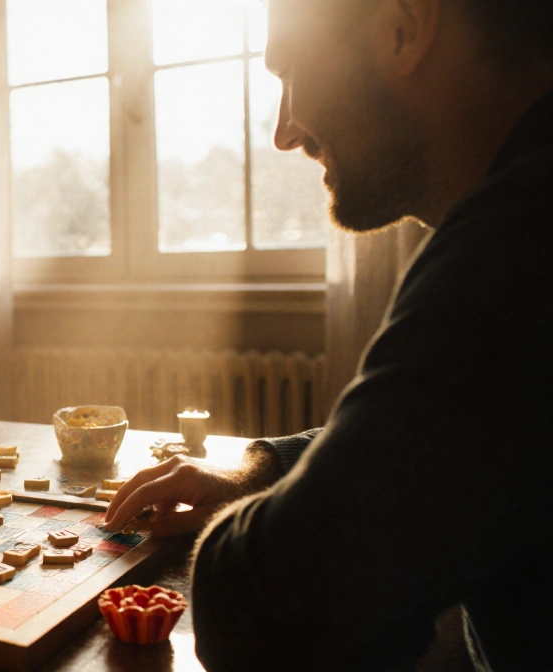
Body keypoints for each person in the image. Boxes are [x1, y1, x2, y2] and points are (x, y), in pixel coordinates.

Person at [104, 0, 552, 669]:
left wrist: (281, 518)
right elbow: (441, 437)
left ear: (403, 30)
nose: (285, 132)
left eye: (289, 72)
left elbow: (262, 611)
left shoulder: (517, 245)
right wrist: (266, 472)